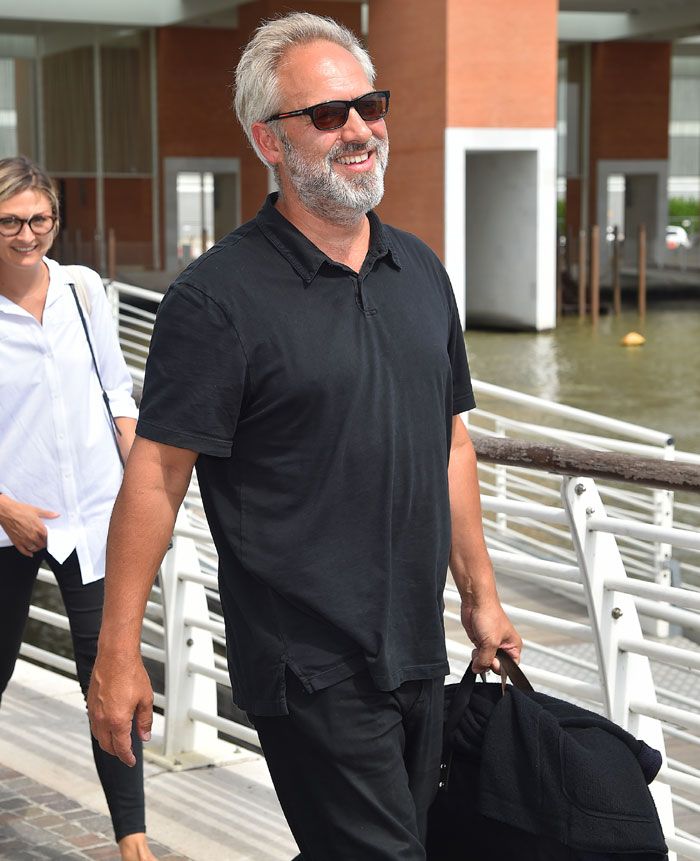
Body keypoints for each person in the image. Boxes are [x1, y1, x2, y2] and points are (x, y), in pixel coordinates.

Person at [87, 12, 521, 860]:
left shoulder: (422, 272)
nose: (359, 129)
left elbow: (450, 443)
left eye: (370, 105)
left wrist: (482, 594)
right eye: (328, 115)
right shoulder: (216, 300)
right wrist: (117, 655)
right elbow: (157, 475)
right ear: (269, 141)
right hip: (308, 667)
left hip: (419, 649)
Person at [0, 156, 156, 861]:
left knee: (112, 677)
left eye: (37, 219)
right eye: (9, 220)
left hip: (95, 518)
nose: (25, 234)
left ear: (55, 222)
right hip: (9, 525)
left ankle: (132, 840)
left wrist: (142, 491)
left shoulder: (85, 288)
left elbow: (119, 393)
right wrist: (4, 507)